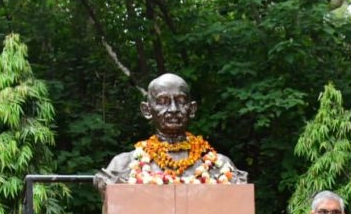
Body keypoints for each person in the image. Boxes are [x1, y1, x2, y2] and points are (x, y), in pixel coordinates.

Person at [96, 73, 248, 189]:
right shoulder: (122, 166)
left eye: (181, 101)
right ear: (147, 110)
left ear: (192, 109)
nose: (173, 109)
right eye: (163, 102)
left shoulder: (221, 167)